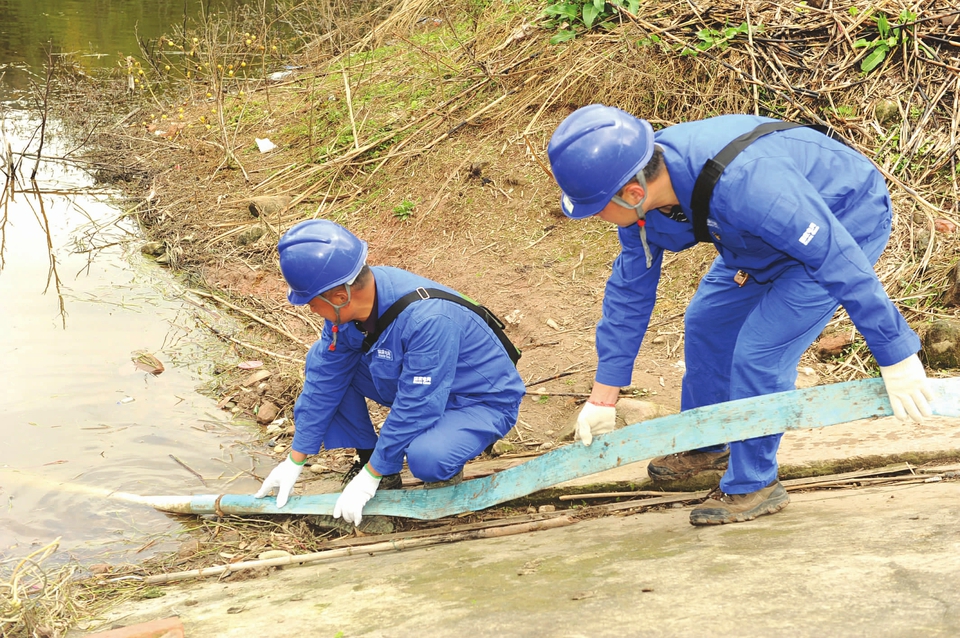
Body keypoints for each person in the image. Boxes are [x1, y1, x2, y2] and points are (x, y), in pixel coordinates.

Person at [547, 104, 933, 526]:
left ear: (633, 192)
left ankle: (755, 484)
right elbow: (630, 290)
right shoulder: (643, 193)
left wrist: (894, 353)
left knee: (759, 351)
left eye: (596, 206)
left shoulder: (750, 184)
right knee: (706, 324)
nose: (595, 216)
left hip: (840, 223)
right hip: (754, 240)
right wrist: (605, 394)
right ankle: (708, 443)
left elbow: (835, 258)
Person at [254, 220, 525, 525]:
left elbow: (418, 404)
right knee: (331, 368)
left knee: (427, 457)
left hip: (477, 399)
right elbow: (325, 378)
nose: (311, 310)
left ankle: (434, 467)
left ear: (340, 297)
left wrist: (368, 479)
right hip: (424, 383)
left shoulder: (428, 318)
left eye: (312, 303)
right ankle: (377, 464)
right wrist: (295, 458)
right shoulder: (348, 304)